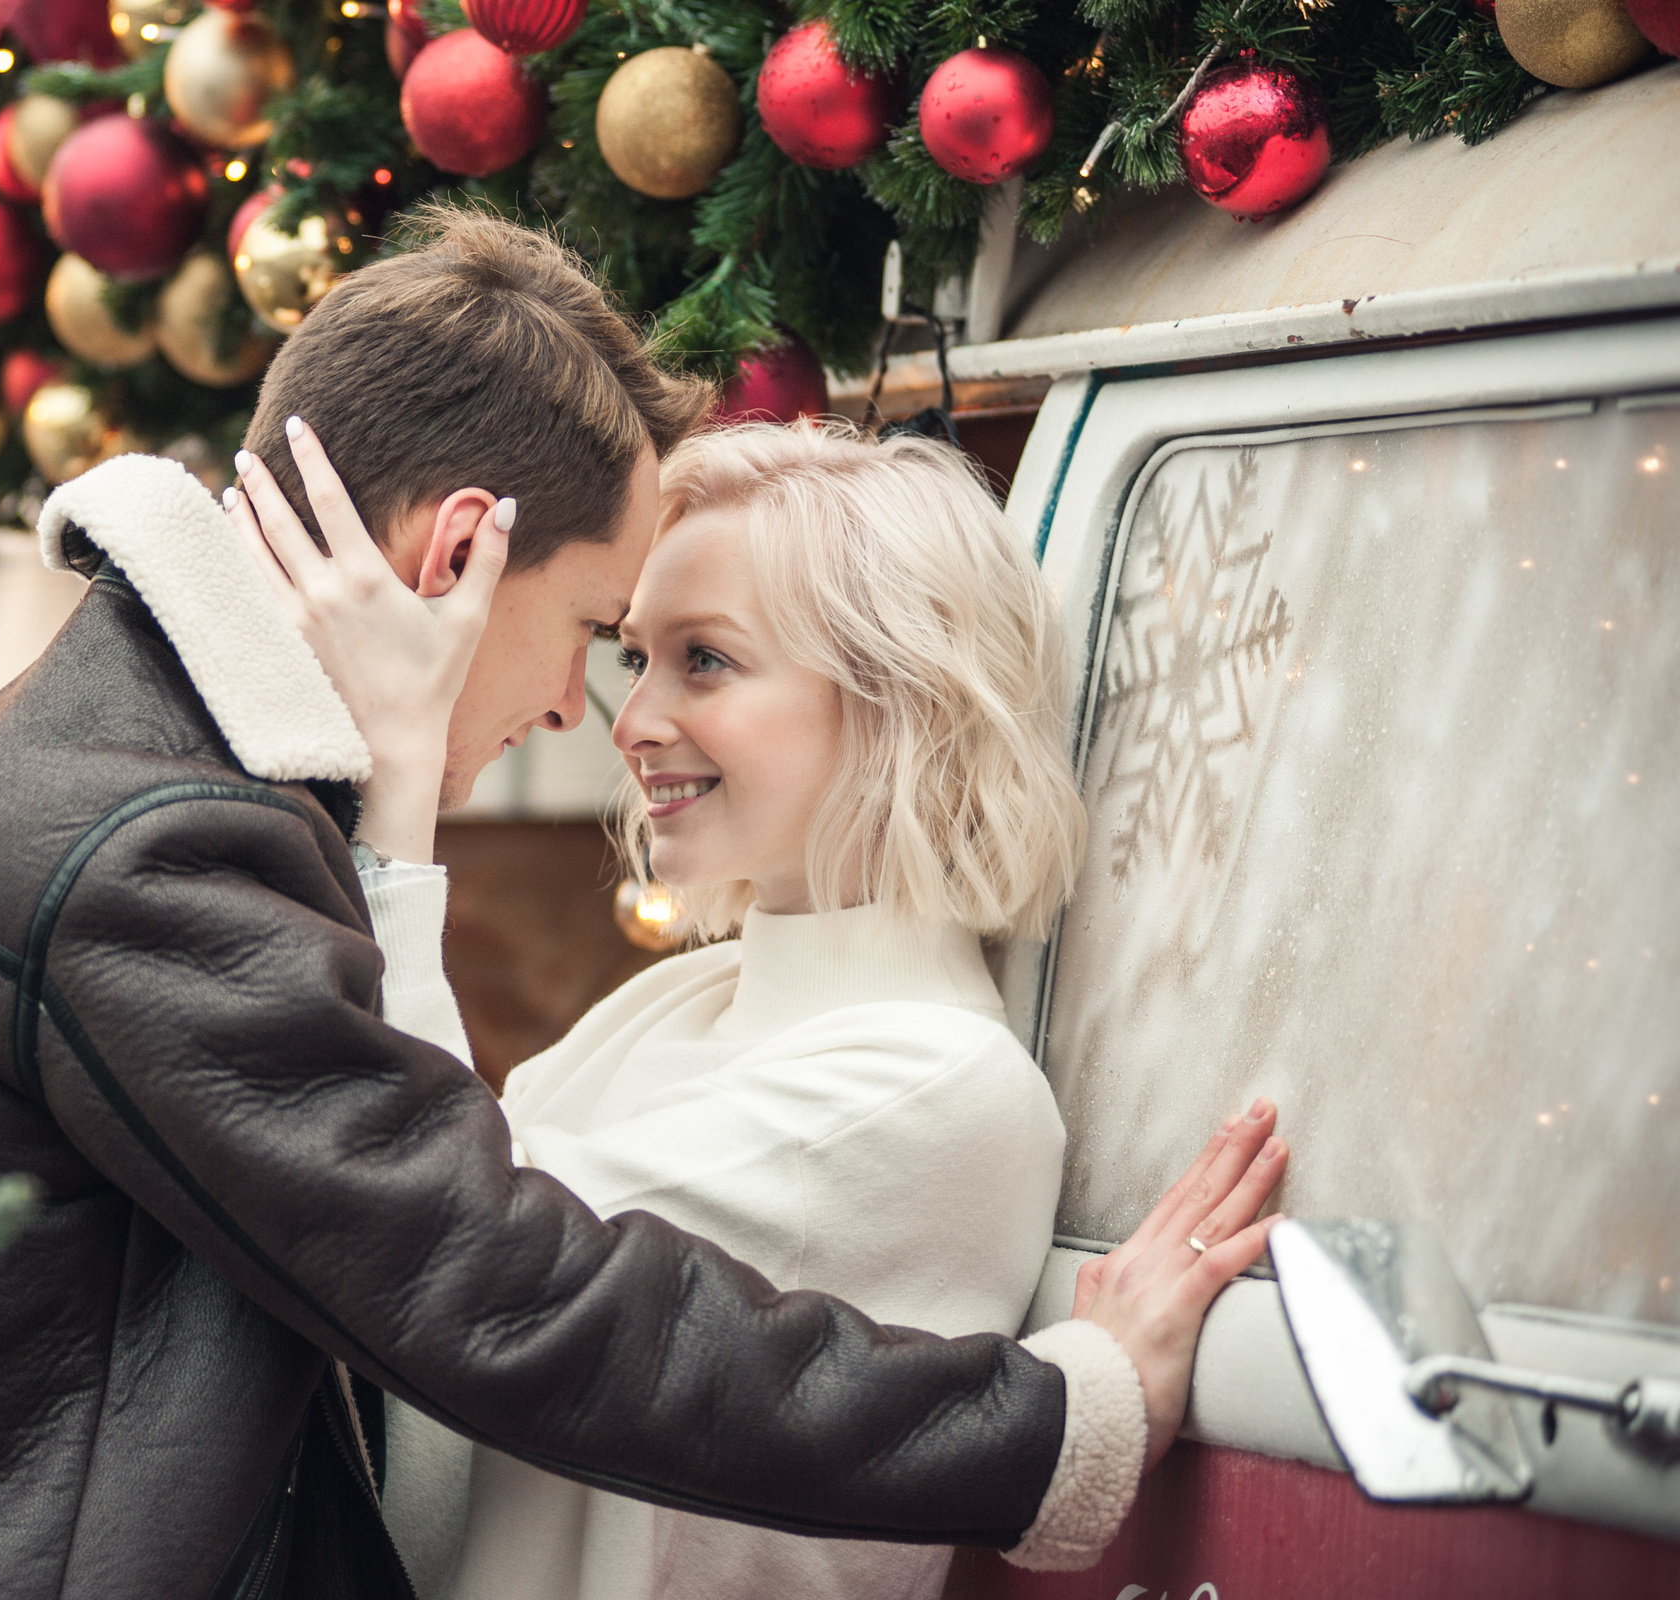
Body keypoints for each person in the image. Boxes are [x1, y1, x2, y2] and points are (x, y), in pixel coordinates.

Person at [0, 208, 1287, 1600]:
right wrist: (1067, 1420)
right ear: (459, 549)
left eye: (693, 655)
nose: (580, 713)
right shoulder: (162, 841)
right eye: (605, 630)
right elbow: (504, 1288)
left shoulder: (130, 763)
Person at [230, 412, 1243, 1600]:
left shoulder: (929, 1079)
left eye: (703, 658)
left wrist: (399, 788)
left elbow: (439, 1249)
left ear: (896, 690)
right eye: (633, 657)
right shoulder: (676, 1004)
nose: (638, 720)